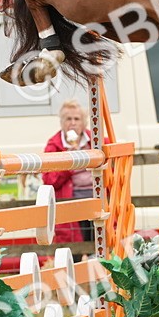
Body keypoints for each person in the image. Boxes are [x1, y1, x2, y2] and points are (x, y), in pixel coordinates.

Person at [41, 100, 96, 244]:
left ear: (84, 123)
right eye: (68, 119)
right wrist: (69, 163)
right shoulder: (54, 145)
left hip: (95, 198)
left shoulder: (96, 141)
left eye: (76, 119)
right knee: (75, 249)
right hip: (70, 201)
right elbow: (49, 180)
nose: (72, 123)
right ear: (62, 123)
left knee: (98, 244)